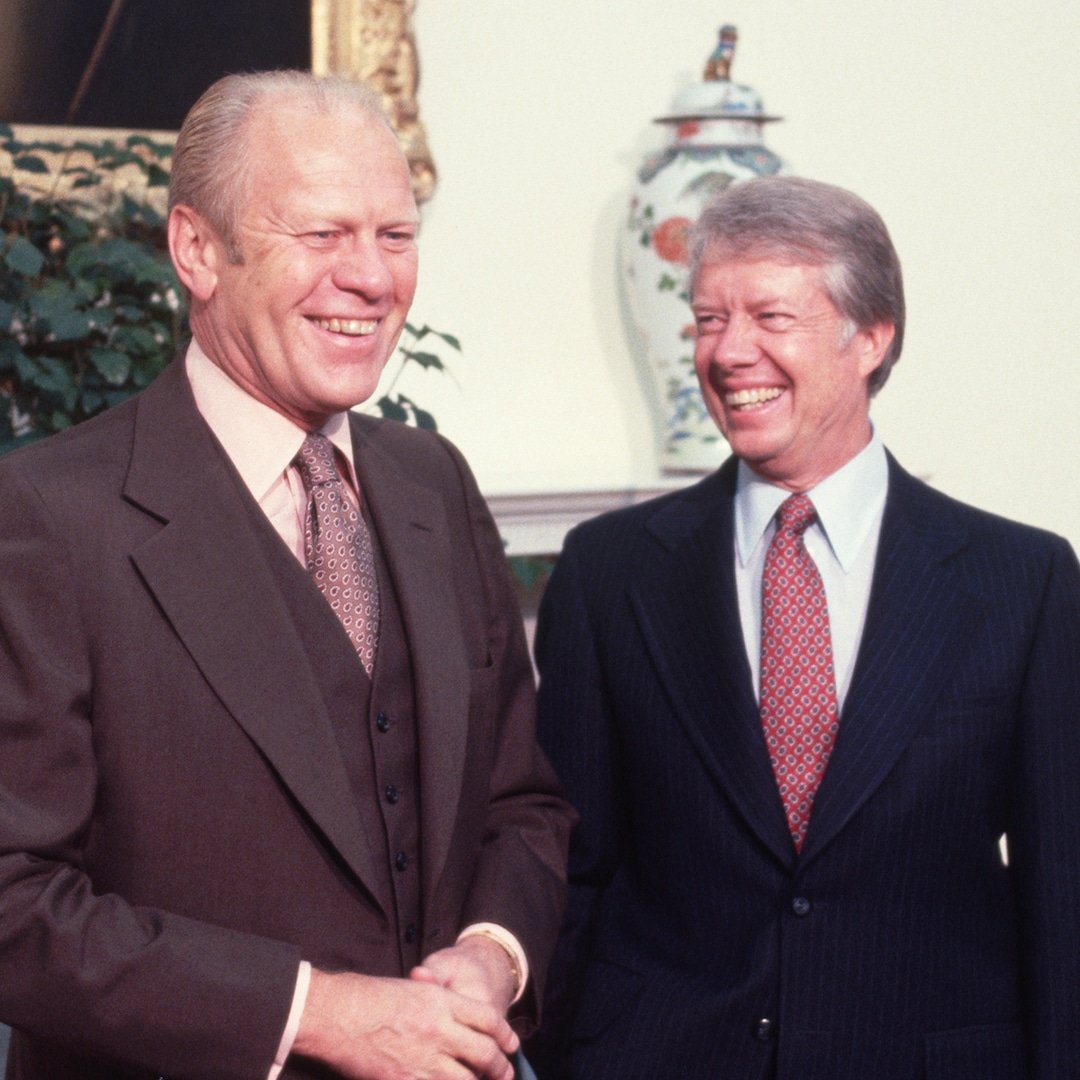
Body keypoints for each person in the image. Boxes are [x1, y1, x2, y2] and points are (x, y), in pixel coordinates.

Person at [0, 71, 574, 1080]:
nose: (370, 278)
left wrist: (494, 955)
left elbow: (521, 804)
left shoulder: (431, 482)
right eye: (321, 235)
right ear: (196, 250)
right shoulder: (49, 518)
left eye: (395, 236)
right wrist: (312, 1014)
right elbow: (12, 902)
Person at [527, 176, 1080, 1079]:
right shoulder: (609, 574)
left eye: (769, 318)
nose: (729, 352)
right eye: (709, 320)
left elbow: (1064, 903)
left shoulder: (1021, 583)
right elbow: (569, 874)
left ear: (870, 338)